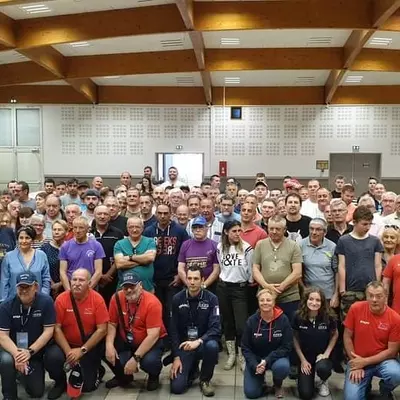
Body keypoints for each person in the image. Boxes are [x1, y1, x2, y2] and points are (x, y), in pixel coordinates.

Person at [45, 269, 109, 399]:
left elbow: (102, 330)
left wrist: (82, 350)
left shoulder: (97, 299)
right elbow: (56, 329)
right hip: (66, 344)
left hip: (87, 346)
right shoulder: (61, 299)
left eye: (81, 280)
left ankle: (98, 370)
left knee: (88, 387)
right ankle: (60, 383)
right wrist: (69, 352)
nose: (77, 283)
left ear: (89, 283)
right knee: (52, 357)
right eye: (74, 279)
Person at [105, 271, 167, 390]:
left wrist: (135, 359)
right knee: (110, 354)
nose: (128, 290)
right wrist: (109, 345)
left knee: (149, 362)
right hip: (127, 341)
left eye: (132, 286)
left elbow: (153, 335)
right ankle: (123, 376)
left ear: (140, 286)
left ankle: (154, 376)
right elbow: (112, 324)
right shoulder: (116, 298)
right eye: (125, 287)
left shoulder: (152, 302)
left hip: (151, 342)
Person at [0, 272, 56, 400]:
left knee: (36, 392)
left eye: (28, 287)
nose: (24, 291)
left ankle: (23, 374)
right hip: (12, 349)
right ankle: (9, 395)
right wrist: (17, 355)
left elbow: (48, 331)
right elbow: (2, 336)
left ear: (35, 287)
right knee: (6, 360)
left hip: (34, 351)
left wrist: (29, 352)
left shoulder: (46, 302)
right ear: (16, 287)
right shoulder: (6, 306)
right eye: (21, 287)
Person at [169, 266, 221, 397]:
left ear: (202, 280)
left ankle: (205, 380)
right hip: (184, 346)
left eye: (196, 278)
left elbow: (216, 328)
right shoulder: (177, 299)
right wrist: (176, 357)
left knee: (213, 346)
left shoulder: (212, 299)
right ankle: (192, 370)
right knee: (177, 388)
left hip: (202, 343)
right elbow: (173, 330)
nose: (192, 282)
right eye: (189, 278)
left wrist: (199, 341)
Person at [343, 281, 400, 399]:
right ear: (366, 296)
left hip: (382, 362)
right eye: (371, 295)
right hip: (357, 360)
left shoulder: (395, 319)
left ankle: (385, 389)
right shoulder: (355, 308)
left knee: (396, 374)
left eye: (378, 296)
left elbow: (392, 351)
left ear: (385, 296)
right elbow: (347, 336)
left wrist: (365, 361)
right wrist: (356, 364)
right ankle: (365, 385)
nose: (374, 299)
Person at [143, 204, 189, 335]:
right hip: (154, 280)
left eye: (165, 213)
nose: (162, 216)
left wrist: (180, 275)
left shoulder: (180, 231)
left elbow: (185, 254)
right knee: (157, 311)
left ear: (171, 214)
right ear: (156, 214)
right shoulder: (148, 231)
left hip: (173, 279)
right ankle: (160, 338)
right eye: (160, 213)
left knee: (172, 311)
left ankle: (174, 339)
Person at [241, 288, 292, 399]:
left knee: (282, 367)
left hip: (276, 358)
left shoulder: (283, 320)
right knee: (251, 394)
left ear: (274, 302)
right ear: (258, 303)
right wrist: (255, 365)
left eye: (268, 300)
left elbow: (286, 347)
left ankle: (277, 385)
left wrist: (267, 360)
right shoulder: (251, 321)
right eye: (262, 300)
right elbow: (245, 347)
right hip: (256, 359)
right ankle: (261, 382)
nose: (265, 303)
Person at [217, 220, 253, 371]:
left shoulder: (247, 248)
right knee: (228, 323)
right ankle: (231, 354)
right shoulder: (220, 247)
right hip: (224, 287)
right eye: (234, 231)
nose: (238, 234)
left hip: (240, 288)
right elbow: (221, 266)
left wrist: (249, 282)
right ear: (226, 232)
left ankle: (241, 354)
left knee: (241, 325)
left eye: (239, 230)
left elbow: (250, 269)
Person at [252, 216, 302, 322]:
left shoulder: (294, 246)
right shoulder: (260, 244)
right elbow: (255, 269)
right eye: (271, 228)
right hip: (265, 296)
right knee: (266, 327)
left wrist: (279, 289)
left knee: (290, 327)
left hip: (289, 296)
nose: (274, 232)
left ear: (284, 230)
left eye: (278, 229)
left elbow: (297, 273)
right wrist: (267, 287)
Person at [337, 206, 384, 319]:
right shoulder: (344, 240)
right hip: (351, 290)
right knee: (349, 323)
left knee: (370, 322)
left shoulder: (375, 241)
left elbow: (378, 265)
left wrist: (376, 286)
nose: (367, 227)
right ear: (354, 222)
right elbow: (341, 265)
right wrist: (342, 289)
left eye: (370, 224)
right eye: (364, 224)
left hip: (370, 291)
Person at [293, 287, 338, 399]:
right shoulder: (297, 316)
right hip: (305, 358)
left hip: (322, 357)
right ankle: (304, 379)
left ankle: (323, 381)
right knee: (305, 395)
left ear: (322, 302)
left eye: (318, 300)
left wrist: (326, 354)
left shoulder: (329, 316)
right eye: (311, 299)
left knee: (323, 368)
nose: (314, 302)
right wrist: (302, 360)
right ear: (306, 300)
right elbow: (294, 337)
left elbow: (335, 334)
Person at [0, 226, 51, 302]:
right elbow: (4, 282)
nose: (24, 241)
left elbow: (46, 279)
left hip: (37, 300)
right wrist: (4, 302)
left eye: (27, 238)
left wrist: (44, 297)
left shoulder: (41, 255)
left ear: (32, 239)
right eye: (21, 238)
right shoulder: (8, 256)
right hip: (14, 301)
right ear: (17, 239)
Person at [300, 218, 338, 307]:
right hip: (309, 295)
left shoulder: (332, 247)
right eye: (311, 228)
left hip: (328, 295)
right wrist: (304, 289)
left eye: (318, 229)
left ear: (324, 232)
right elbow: (297, 271)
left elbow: (337, 272)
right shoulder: (300, 245)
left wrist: (336, 294)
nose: (314, 232)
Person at [59, 216, 104, 291]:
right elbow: (62, 272)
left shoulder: (96, 245)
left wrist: (87, 290)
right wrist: (69, 291)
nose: (77, 230)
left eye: (81, 228)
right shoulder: (65, 246)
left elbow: (98, 271)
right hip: (71, 285)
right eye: (75, 227)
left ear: (87, 229)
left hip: (90, 286)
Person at [91, 205, 124, 305]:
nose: (102, 216)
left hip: (112, 278)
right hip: (92, 279)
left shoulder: (118, 233)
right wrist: (99, 276)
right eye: (99, 214)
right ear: (94, 215)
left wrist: (108, 275)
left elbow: (120, 256)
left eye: (105, 214)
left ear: (110, 216)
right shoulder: (88, 233)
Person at [178, 216, 220, 293]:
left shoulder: (215, 245)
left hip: (209, 288)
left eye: (201, 227)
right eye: (195, 227)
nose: (197, 230)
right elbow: (181, 268)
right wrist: (189, 284)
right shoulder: (185, 245)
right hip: (189, 287)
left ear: (207, 228)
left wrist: (203, 286)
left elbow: (216, 270)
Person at [114, 217, 157, 292]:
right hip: (124, 289)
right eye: (131, 227)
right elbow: (119, 264)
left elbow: (150, 258)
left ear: (142, 228)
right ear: (127, 228)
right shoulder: (119, 244)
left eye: (137, 227)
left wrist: (130, 257)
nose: (134, 230)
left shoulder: (150, 241)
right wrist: (143, 262)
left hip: (146, 288)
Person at [41, 220, 68, 299]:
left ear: (66, 232)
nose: (56, 232)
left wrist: (60, 284)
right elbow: (43, 269)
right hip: (49, 287)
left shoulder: (70, 247)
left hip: (67, 286)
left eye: (59, 230)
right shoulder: (44, 248)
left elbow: (72, 268)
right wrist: (52, 284)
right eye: (54, 229)